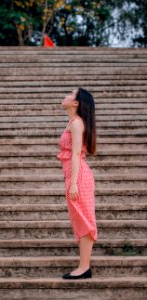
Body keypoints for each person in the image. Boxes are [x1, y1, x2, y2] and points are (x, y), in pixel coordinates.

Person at [57, 87, 98, 279]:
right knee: (80, 219)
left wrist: (73, 184)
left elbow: (75, 154)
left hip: (78, 176)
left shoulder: (76, 123)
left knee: (84, 219)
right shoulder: (73, 122)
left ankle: (84, 267)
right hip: (75, 175)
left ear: (76, 103)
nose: (65, 95)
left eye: (70, 94)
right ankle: (84, 266)